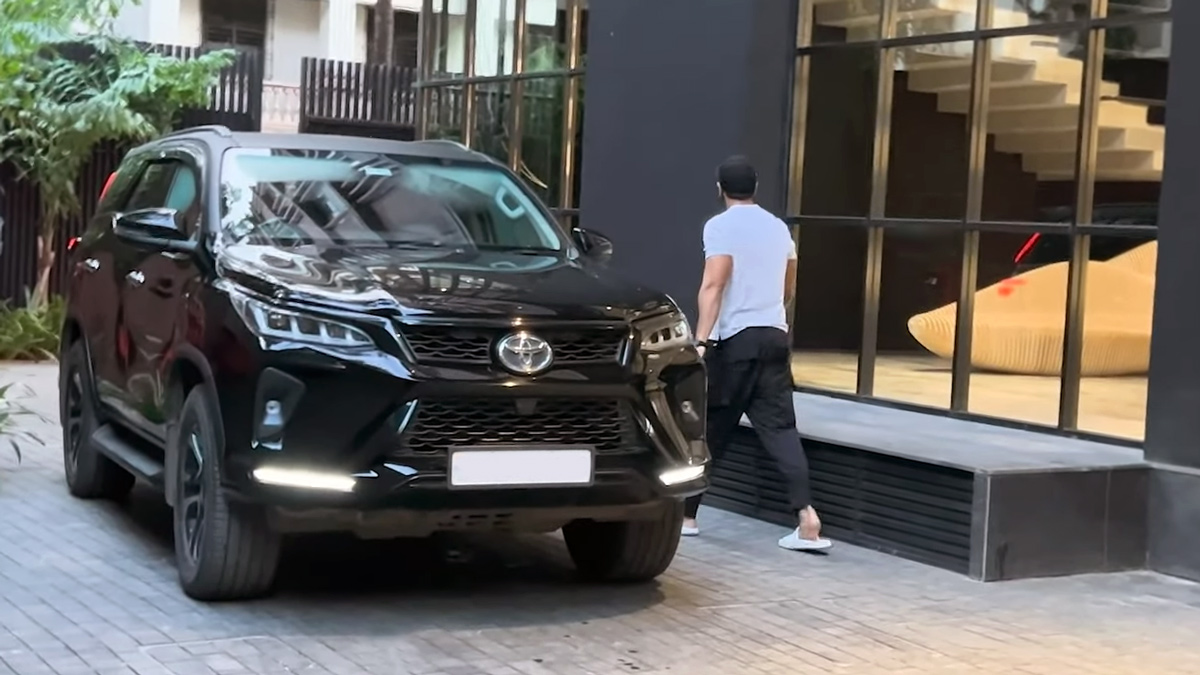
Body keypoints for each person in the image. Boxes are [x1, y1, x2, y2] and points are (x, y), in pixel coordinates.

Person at [684, 155, 831, 552]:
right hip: (774, 338)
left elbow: (714, 284)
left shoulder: (720, 226)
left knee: (712, 429)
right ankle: (807, 518)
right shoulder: (778, 228)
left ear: (720, 188)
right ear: (755, 188)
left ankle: (686, 516)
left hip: (736, 341)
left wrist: (701, 341)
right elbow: (788, 287)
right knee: (781, 430)